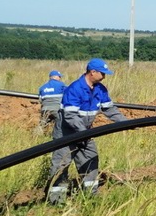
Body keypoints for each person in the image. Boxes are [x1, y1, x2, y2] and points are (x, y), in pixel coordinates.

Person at [47, 59, 127, 204]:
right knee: (61, 165)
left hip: (84, 133)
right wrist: (84, 132)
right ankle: (56, 202)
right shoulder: (74, 89)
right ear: (92, 72)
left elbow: (110, 109)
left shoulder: (100, 89)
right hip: (66, 133)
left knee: (91, 159)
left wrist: (126, 123)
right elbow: (70, 116)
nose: (104, 76)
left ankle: (90, 196)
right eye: (102, 73)